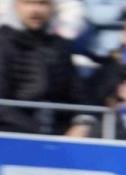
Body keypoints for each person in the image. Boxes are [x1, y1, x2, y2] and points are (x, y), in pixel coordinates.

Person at [0, 0, 85, 134]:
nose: (35, 10)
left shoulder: (60, 46)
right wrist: (37, 131)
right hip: (13, 133)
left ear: (53, 8)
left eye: (42, 3)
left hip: (58, 133)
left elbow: (77, 96)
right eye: (28, 3)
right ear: (16, 6)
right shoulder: (3, 44)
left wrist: (82, 123)